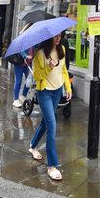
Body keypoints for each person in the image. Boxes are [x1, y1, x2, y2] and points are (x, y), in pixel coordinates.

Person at [28, 32, 72, 181]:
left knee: (45, 123)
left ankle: (33, 145)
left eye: (60, 36)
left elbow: (64, 71)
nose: (58, 38)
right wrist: (49, 67)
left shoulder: (62, 50)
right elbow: (38, 76)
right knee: (52, 125)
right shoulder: (40, 54)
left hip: (58, 91)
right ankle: (52, 166)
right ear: (48, 38)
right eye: (55, 36)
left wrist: (68, 88)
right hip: (45, 92)